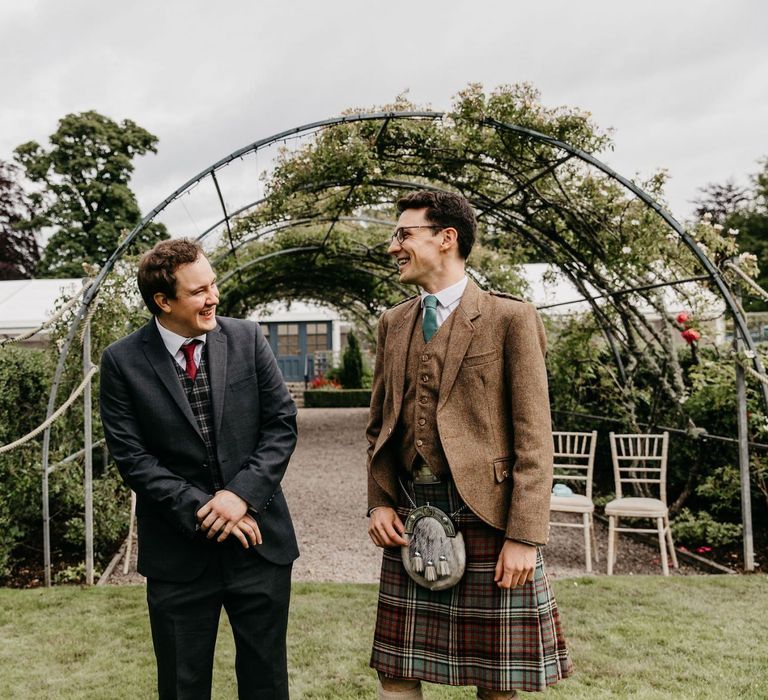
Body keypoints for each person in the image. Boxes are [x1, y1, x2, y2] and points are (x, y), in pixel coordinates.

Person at [366, 191, 572, 700]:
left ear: (446, 238)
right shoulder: (393, 323)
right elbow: (379, 426)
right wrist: (379, 501)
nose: (394, 247)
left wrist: (526, 535)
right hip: (414, 509)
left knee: (497, 679)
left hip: (491, 516)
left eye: (404, 234)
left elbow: (534, 436)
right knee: (396, 670)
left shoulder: (510, 318)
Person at [99, 238, 298, 700]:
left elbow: (281, 425)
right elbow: (133, 458)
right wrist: (209, 509)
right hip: (178, 555)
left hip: (259, 545)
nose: (213, 298)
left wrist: (240, 496)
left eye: (213, 285)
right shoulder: (122, 361)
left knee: (266, 683)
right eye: (198, 291)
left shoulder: (247, 338)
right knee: (182, 686)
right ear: (163, 301)